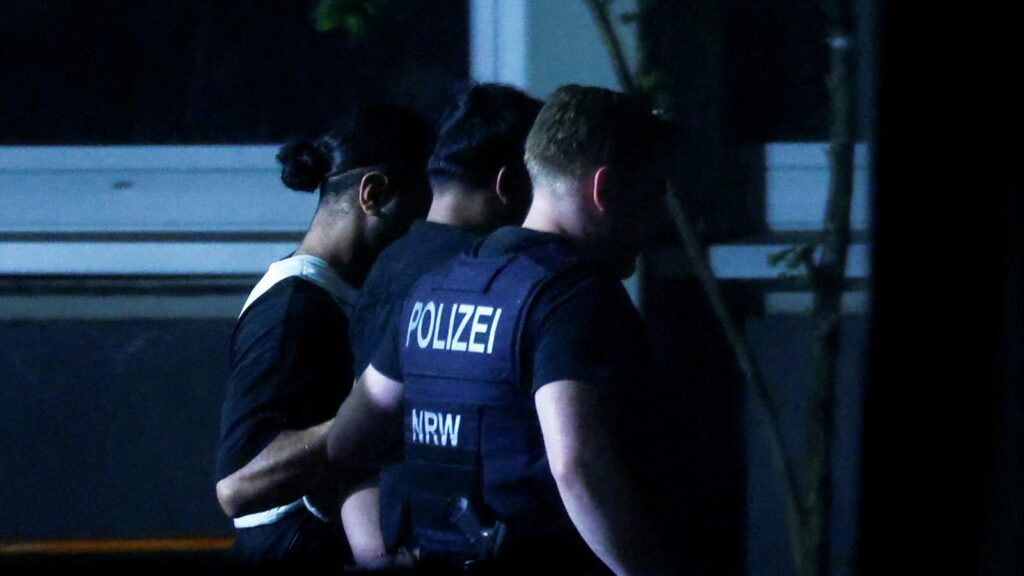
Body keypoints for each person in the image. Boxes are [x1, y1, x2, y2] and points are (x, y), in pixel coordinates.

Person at [327, 85, 674, 575]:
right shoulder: (574, 297)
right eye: (652, 194)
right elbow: (577, 467)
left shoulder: (436, 285)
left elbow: (348, 440)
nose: (657, 221)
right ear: (604, 189)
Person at [214, 103, 433, 569]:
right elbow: (236, 486)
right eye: (418, 211)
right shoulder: (293, 309)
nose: (422, 231)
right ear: (372, 194)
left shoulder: (345, 292)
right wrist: (369, 416)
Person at [343, 82, 543, 560]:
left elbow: (357, 439)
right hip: (459, 537)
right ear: (509, 185)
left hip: (402, 533)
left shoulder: (389, 263)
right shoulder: (481, 277)